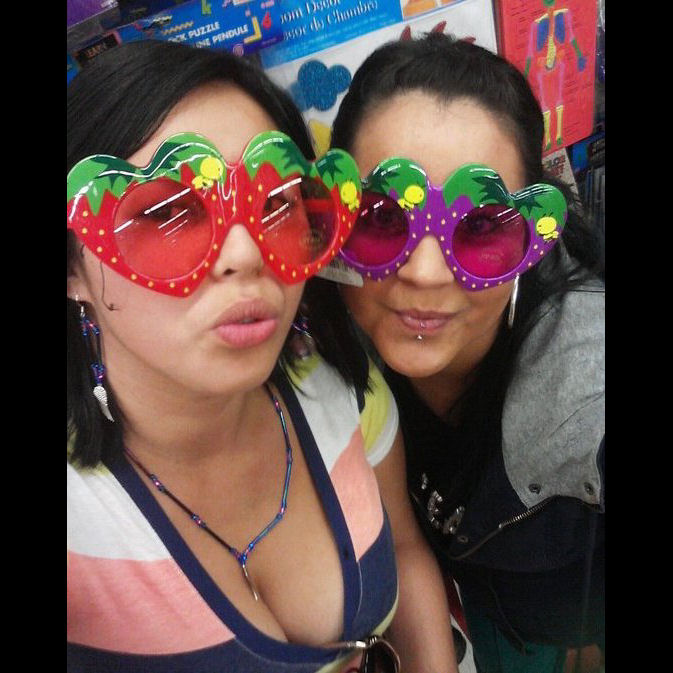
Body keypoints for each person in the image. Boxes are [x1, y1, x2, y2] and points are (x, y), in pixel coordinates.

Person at [66, 39, 459, 672]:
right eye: (168, 212)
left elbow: (407, 552)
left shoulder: (339, 388)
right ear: (74, 266)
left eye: (278, 203)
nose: (247, 253)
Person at [321, 33, 605, 673]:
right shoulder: (321, 331)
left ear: (532, 235)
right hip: (464, 611)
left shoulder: (585, 373)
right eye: (381, 217)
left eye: (479, 227)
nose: (424, 273)